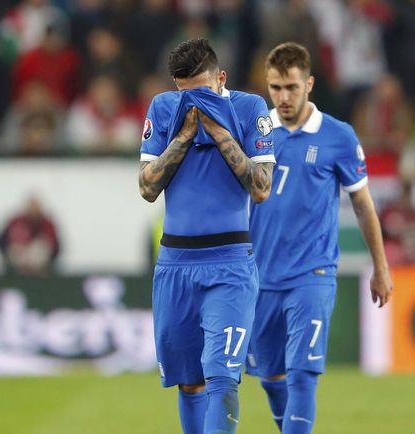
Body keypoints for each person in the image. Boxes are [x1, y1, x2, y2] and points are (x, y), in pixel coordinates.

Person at [246, 42, 393, 434]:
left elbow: (363, 204)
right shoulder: (255, 133)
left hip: (313, 273)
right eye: (276, 88)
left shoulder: (338, 136)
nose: (283, 97)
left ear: (309, 84)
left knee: (302, 372)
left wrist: (381, 267)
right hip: (261, 276)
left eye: (292, 87)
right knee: (271, 377)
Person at [139, 38, 275, 434]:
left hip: (229, 263)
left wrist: (218, 131)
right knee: (190, 380)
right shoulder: (164, 108)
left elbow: (262, 188)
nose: (193, 102)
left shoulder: (249, 109)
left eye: (202, 92)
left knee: (222, 376)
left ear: (221, 79)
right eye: (186, 93)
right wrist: (183, 136)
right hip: (175, 265)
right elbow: (147, 188)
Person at [0, 196, 60, 275]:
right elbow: (1, 241)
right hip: (18, 262)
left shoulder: (47, 225)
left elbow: (56, 247)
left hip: (40, 265)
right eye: (31, 207)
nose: (33, 211)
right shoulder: (16, 222)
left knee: (39, 247)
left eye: (35, 208)